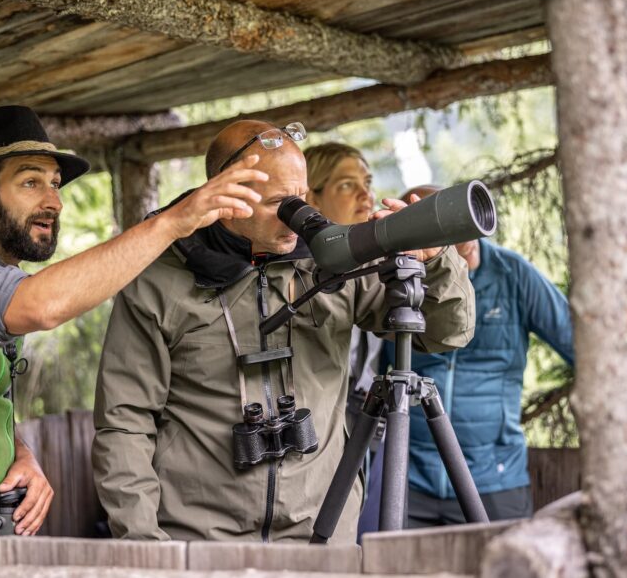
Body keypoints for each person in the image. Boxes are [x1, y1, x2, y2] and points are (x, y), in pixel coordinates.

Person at [0, 105, 265, 535]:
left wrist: (17, 452)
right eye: (31, 182)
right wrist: (173, 222)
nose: (54, 202)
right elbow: (40, 306)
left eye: (55, 184)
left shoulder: (0, 279)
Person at [92, 121, 475, 543]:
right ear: (228, 193)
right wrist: (144, 543)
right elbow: (124, 423)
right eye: (279, 202)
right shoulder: (159, 278)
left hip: (321, 531)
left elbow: (445, 334)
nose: (297, 214)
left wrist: (437, 260)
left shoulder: (332, 262)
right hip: (199, 539)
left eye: (301, 196)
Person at [386, 184, 574, 526]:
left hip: (494, 477)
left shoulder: (512, 274)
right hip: (409, 480)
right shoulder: (396, 278)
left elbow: (583, 344)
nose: (465, 233)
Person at [303, 142, 383, 432]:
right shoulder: (293, 274)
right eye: (348, 185)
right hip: (311, 425)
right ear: (312, 198)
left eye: (368, 182)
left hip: (360, 420)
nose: (367, 195)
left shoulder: (373, 263)